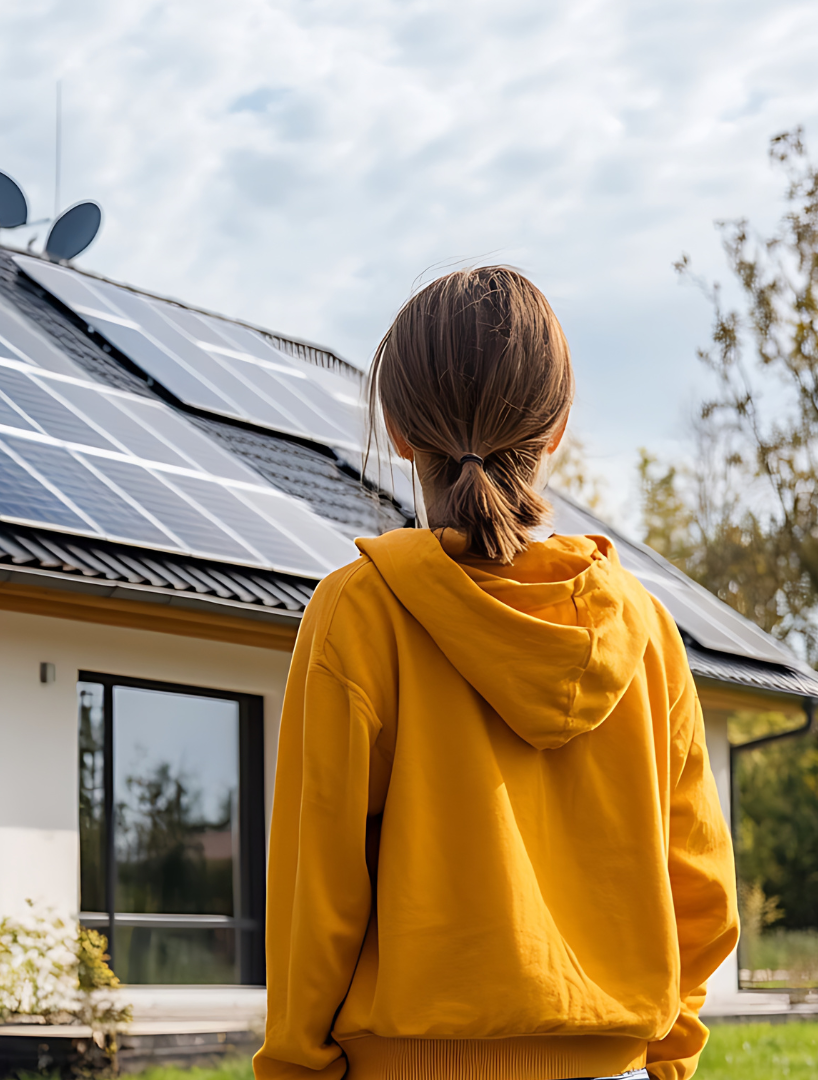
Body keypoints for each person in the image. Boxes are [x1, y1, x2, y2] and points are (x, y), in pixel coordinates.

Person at [254, 267, 739, 1080]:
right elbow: (702, 892)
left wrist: (300, 1070)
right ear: (556, 431)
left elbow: (317, 892)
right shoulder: (648, 632)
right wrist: (665, 1054)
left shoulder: (358, 614)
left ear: (400, 432)